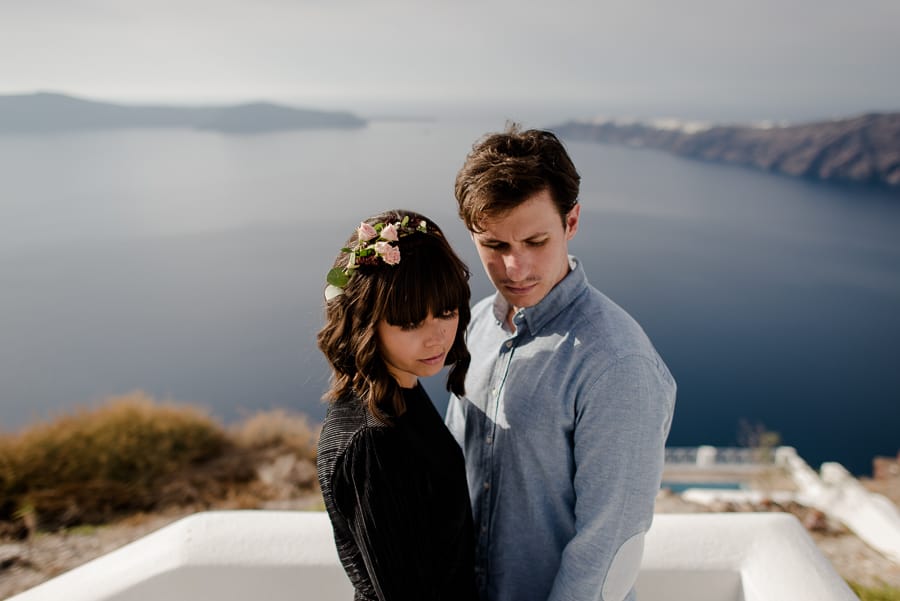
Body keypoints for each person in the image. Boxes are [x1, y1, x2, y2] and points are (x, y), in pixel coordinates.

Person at [445, 126, 677, 601]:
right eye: (494, 246)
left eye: (535, 241)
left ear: (571, 222)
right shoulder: (476, 328)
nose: (516, 268)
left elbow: (610, 545)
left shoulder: (617, 362)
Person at [316, 209, 480, 601]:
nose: (436, 337)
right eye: (408, 322)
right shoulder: (372, 444)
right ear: (365, 321)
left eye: (446, 312)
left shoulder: (396, 389)